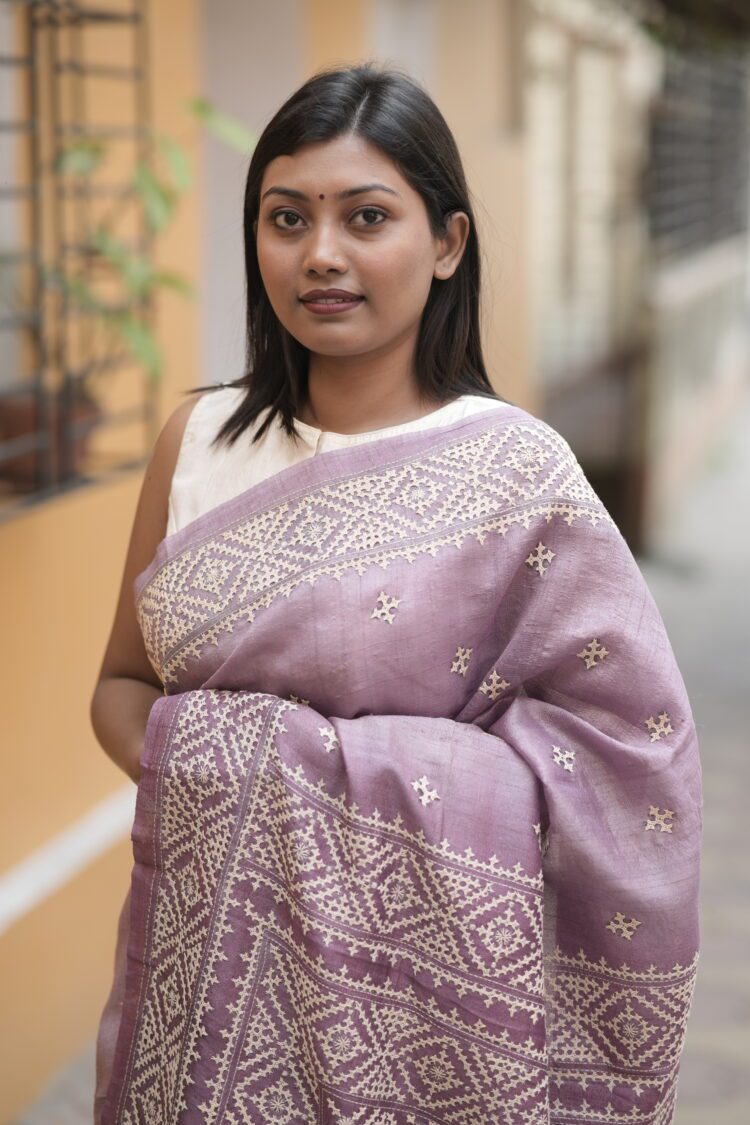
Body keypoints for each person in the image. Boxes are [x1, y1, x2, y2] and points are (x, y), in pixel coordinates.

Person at [90, 62, 701, 1125]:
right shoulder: (193, 444)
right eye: (287, 218)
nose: (320, 254)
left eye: (365, 217)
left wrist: (315, 785)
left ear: (448, 243)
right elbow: (122, 683)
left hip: (428, 1014)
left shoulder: (520, 474)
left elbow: (627, 754)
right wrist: (239, 781)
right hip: (213, 965)